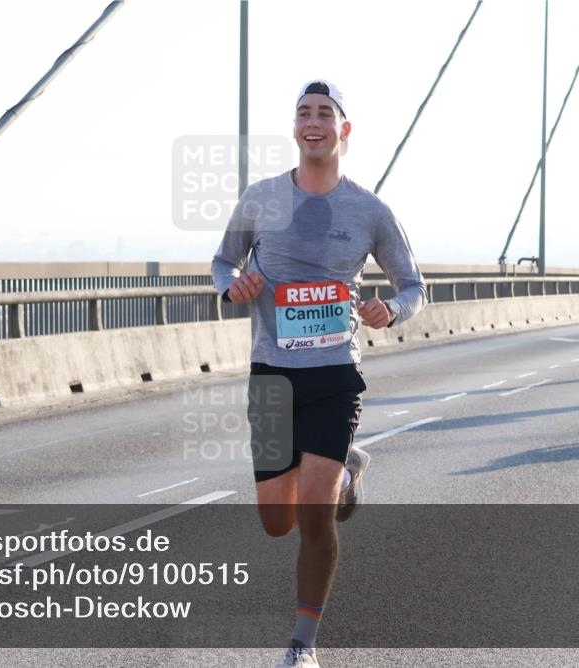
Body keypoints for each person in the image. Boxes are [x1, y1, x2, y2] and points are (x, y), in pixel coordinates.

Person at [211, 80, 426, 667]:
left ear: (343, 130)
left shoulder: (370, 210)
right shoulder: (261, 198)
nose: (314, 122)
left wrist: (392, 309)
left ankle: (302, 644)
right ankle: (351, 469)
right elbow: (222, 259)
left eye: (325, 114)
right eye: (304, 113)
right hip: (273, 376)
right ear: (296, 128)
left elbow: (413, 285)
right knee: (276, 521)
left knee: (313, 513)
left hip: (335, 373)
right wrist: (233, 285)